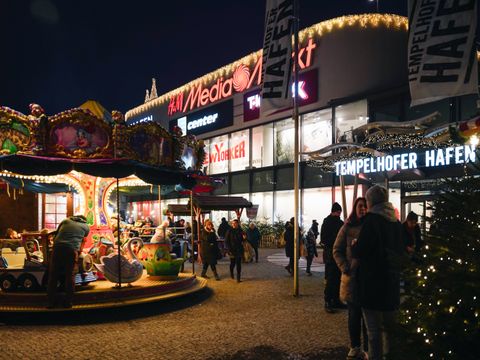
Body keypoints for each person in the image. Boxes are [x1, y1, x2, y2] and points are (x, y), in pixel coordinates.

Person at [354, 185, 405, 360]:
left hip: (372, 284)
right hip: (391, 283)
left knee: (374, 332)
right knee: (391, 330)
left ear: (371, 202)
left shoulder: (371, 221)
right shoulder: (396, 223)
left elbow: (361, 251)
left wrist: (354, 245)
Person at [334, 197, 369, 360]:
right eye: (360, 206)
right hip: (353, 278)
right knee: (354, 315)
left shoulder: (372, 226)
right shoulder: (347, 227)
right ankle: (355, 346)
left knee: (368, 317)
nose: (363, 209)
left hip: (369, 278)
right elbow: (337, 249)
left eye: (366, 206)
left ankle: (369, 348)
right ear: (355, 208)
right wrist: (344, 267)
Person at [47, 215, 90, 308]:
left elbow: (57, 233)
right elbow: (83, 240)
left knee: (53, 275)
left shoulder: (65, 221)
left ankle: (50, 302)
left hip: (57, 248)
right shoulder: (86, 227)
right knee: (70, 275)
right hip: (71, 250)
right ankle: (68, 302)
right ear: (84, 221)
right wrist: (79, 251)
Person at [321, 202, 345, 312]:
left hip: (332, 254)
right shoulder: (336, 223)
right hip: (333, 254)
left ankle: (333, 300)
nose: (339, 214)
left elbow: (324, 239)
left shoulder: (329, 222)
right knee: (333, 278)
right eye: (338, 212)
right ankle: (330, 301)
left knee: (334, 278)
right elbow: (325, 239)